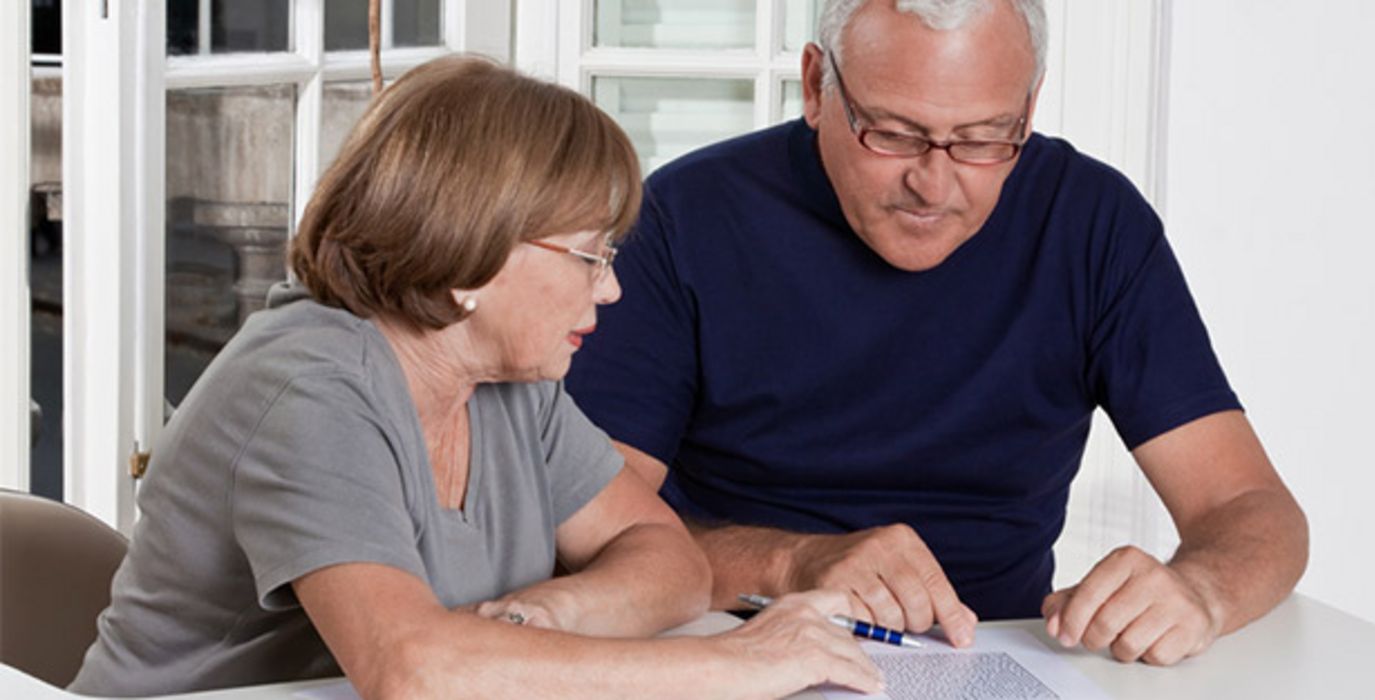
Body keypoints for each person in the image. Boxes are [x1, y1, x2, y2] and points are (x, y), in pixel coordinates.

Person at [69, 56, 882, 699]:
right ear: (474, 254)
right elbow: (413, 672)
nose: (611, 288)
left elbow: (670, 563)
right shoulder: (308, 386)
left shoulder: (508, 380)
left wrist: (545, 614)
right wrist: (739, 668)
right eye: (591, 255)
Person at [565, 0, 1309, 667]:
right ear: (816, 85)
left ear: (1029, 106)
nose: (933, 183)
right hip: (732, 641)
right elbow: (581, 524)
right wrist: (789, 562)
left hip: (997, 652)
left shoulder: (1091, 223)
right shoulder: (685, 217)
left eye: (985, 139)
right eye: (893, 134)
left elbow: (1247, 506)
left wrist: (1199, 591)